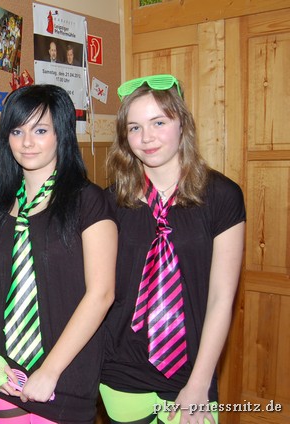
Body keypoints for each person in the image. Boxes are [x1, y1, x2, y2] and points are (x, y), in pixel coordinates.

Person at [100, 74, 246, 424]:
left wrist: (199, 383)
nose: (146, 137)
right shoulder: (109, 202)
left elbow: (221, 298)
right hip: (121, 370)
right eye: (134, 128)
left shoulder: (222, 196)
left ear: (183, 124)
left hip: (192, 370)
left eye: (159, 123)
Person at [0, 84, 117, 423]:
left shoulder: (88, 201)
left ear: (61, 135)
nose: (27, 142)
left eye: (40, 130)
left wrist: (50, 370)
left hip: (65, 374)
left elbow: (101, 294)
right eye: (17, 131)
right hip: (4, 374)